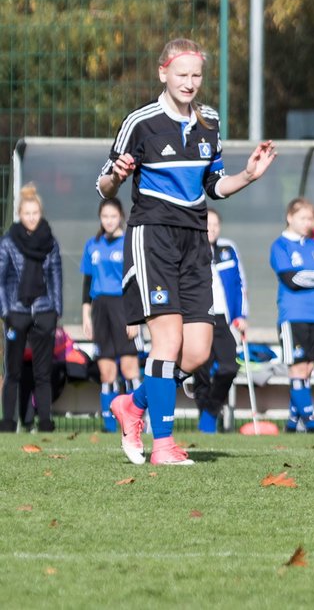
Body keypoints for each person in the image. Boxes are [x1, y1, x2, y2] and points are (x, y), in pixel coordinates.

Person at [98, 37, 277, 466]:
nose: (190, 82)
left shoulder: (210, 121)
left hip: (195, 240)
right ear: (163, 73)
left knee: (197, 352)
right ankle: (163, 445)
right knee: (167, 341)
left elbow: (213, 185)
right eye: (182, 74)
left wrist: (249, 175)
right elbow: (104, 186)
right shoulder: (140, 122)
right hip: (152, 236)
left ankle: (133, 405)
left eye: (197, 75)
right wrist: (118, 177)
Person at [0, 183, 63, 433]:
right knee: (13, 371)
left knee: (43, 372)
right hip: (17, 312)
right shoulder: (8, 242)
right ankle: (8, 422)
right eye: (27, 213)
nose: (31, 218)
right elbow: (2, 279)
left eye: (35, 213)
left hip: (44, 312)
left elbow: (56, 276)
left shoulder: (50, 241)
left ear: (41, 213)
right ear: (19, 214)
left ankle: (45, 421)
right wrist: (6, 312)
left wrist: (55, 311)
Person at [271, 198, 314, 432]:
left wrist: (305, 275)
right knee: (297, 367)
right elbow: (291, 280)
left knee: (308, 368)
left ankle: (292, 421)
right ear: (290, 217)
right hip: (293, 314)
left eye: (310, 218)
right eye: (303, 218)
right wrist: (313, 276)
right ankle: (309, 420)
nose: (307, 223)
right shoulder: (280, 246)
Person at [80, 197, 139, 433]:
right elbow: (87, 281)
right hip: (100, 308)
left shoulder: (128, 243)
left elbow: (135, 283)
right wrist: (86, 314)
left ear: (121, 217)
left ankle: (136, 421)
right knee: (106, 371)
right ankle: (109, 425)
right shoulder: (92, 245)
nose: (109, 221)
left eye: (113, 216)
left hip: (123, 307)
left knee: (129, 368)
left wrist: (136, 317)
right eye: (105, 216)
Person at [190, 208, 247, 433]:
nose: (211, 228)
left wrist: (241, 315)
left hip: (223, 319)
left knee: (228, 367)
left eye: (215, 224)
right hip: (198, 318)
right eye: (206, 224)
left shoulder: (227, 249)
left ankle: (211, 410)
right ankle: (205, 416)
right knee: (200, 370)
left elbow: (240, 284)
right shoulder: (190, 250)